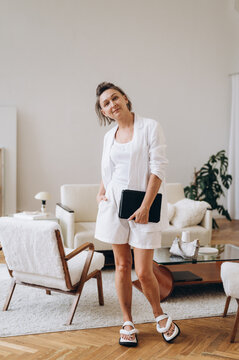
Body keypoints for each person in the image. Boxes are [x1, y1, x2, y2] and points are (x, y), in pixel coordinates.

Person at [94, 82, 180, 347]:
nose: (111, 104)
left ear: (125, 98)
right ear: (105, 113)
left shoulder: (150, 127)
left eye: (114, 98)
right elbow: (108, 170)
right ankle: (127, 321)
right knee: (120, 266)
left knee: (143, 272)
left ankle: (159, 316)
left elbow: (158, 168)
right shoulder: (109, 136)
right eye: (105, 104)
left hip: (143, 206)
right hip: (113, 207)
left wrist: (145, 206)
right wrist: (101, 191)